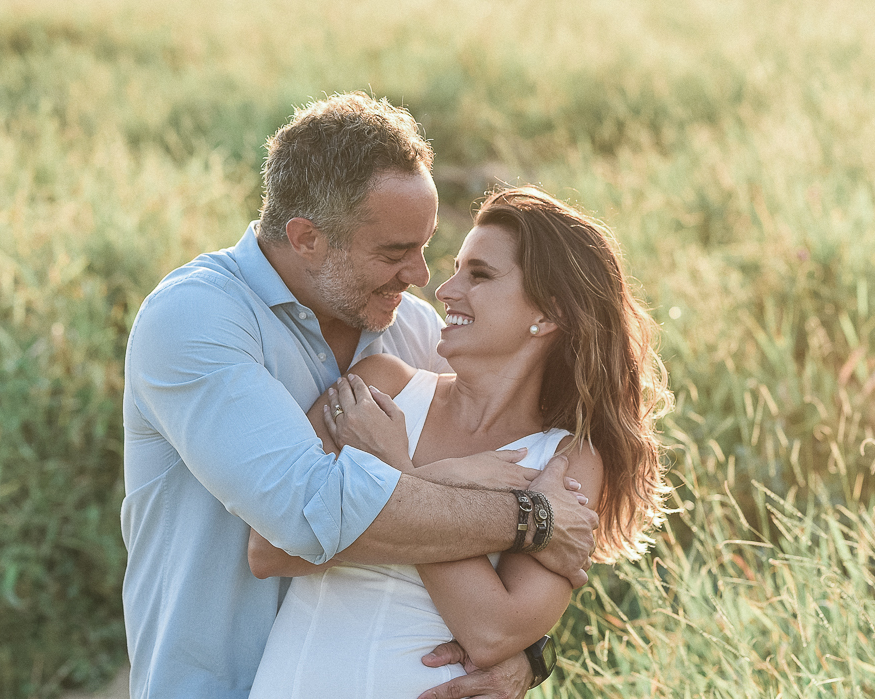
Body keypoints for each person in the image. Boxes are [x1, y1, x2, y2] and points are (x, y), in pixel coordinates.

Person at [121, 93, 599, 699]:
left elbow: (443, 525)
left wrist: (525, 653)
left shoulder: (414, 331)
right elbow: (305, 515)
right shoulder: (195, 319)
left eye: (425, 246)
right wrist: (531, 518)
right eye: (394, 253)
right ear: (307, 238)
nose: (422, 276)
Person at [246, 186, 672, 697]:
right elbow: (270, 547)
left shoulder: (564, 459)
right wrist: (439, 484)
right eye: (456, 270)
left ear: (549, 313)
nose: (446, 290)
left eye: (480, 274)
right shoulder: (382, 388)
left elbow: (493, 632)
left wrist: (397, 470)